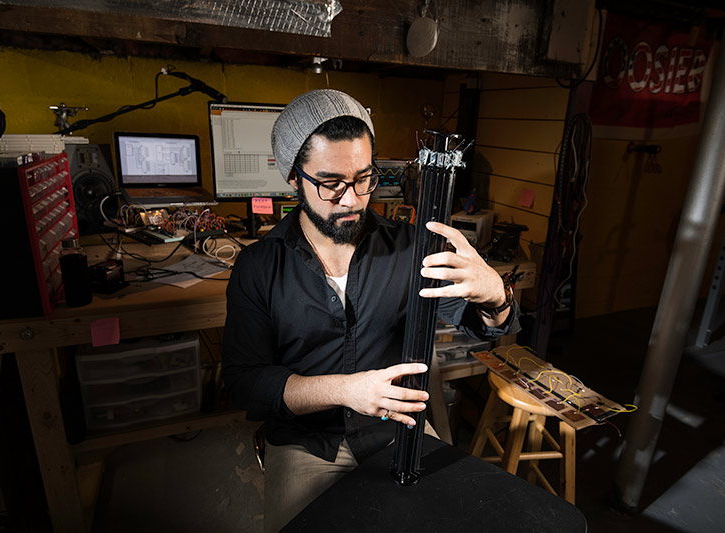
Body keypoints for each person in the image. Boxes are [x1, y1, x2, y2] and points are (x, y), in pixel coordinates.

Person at [222, 89, 520, 531]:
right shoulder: (259, 266)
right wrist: (345, 390)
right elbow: (245, 384)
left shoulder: (410, 248)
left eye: (364, 178)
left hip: (397, 431)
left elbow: (484, 328)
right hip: (308, 444)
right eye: (330, 183)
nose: (352, 200)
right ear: (292, 177)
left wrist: (496, 296)